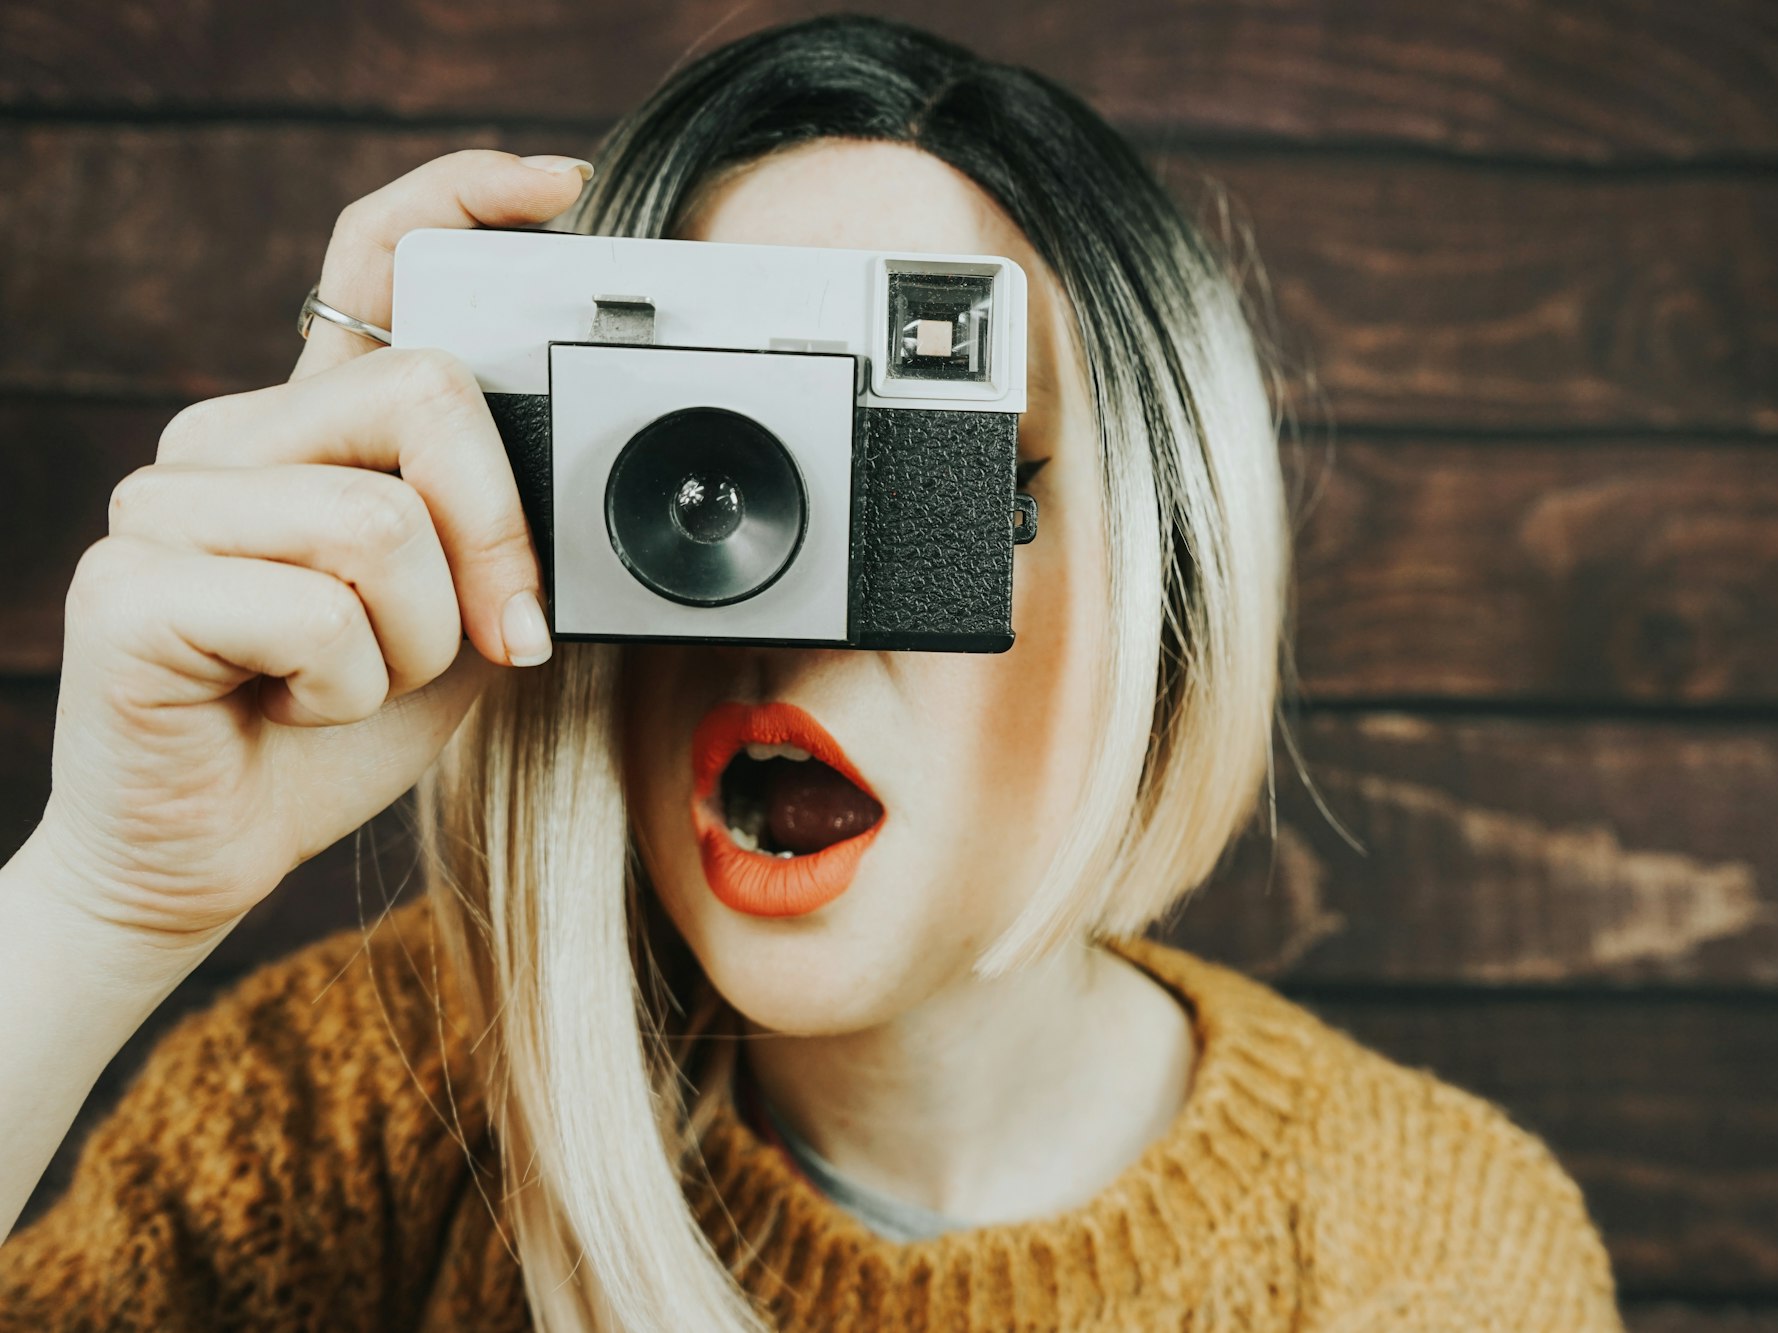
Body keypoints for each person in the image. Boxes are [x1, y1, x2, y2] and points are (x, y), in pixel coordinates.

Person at [0, 15, 1621, 1331]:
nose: (776, 596)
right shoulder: (356, 1116)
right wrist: (92, 906)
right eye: (697, 460)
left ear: (1172, 588)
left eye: (932, 476)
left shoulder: (1423, 1255)